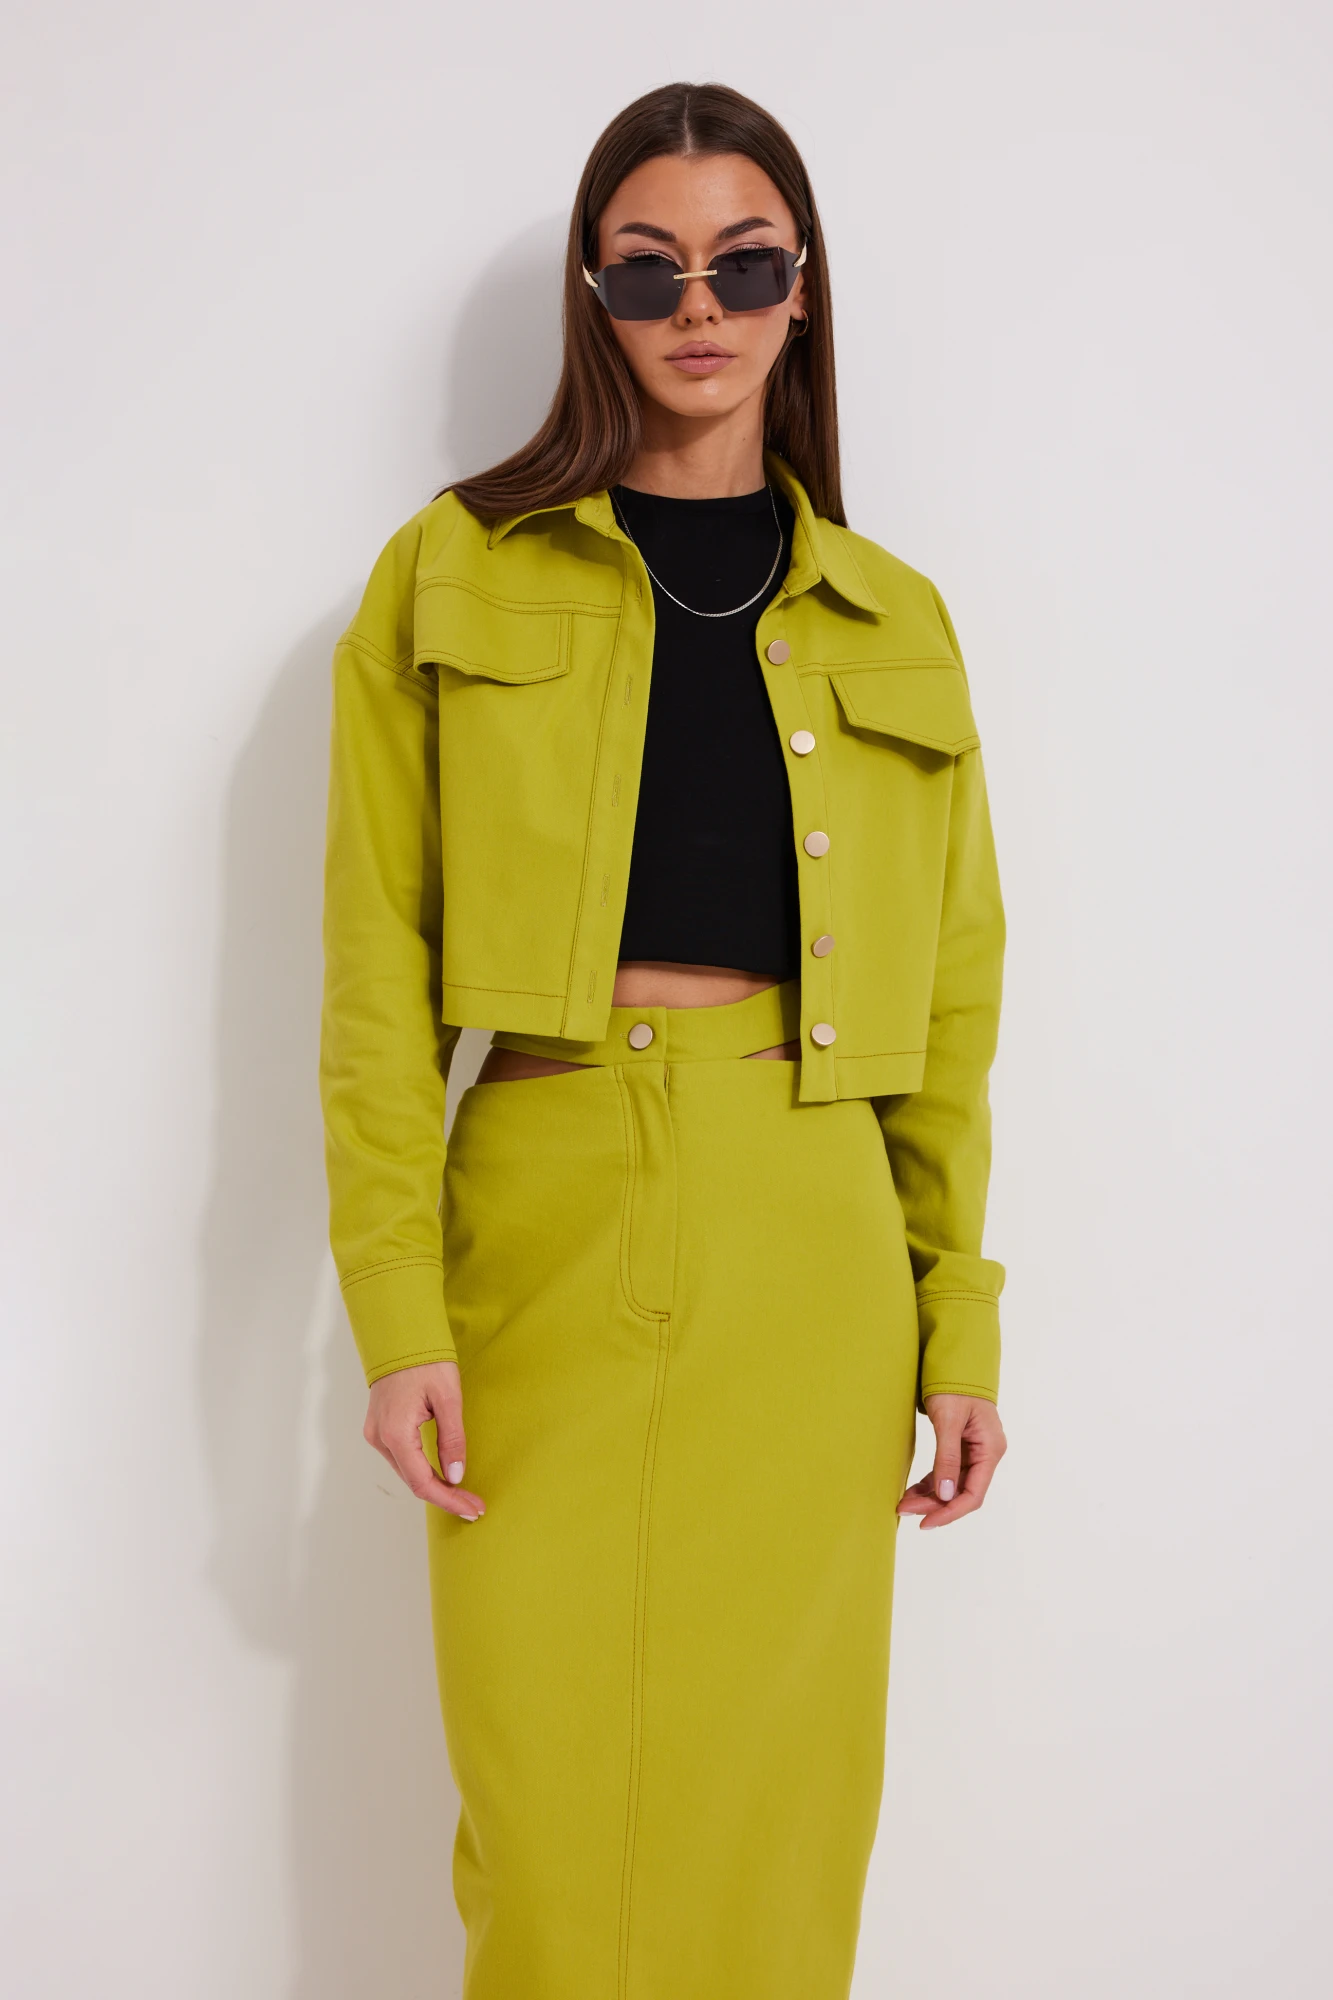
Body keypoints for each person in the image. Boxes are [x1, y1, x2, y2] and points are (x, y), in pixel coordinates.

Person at [319, 78, 1007, 2000]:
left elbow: (953, 1008)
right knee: (543, 1824)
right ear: (593, 294)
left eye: (744, 262)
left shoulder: (896, 619)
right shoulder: (451, 571)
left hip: (811, 1242)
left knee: (781, 1817)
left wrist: (958, 1321)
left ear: (803, 291)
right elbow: (373, 971)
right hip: (539, 1225)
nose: (698, 305)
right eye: (648, 267)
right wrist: (398, 1311)